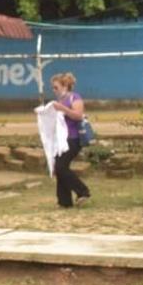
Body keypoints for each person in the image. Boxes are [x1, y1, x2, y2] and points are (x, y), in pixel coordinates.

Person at [51, 73, 91, 208]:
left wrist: (62, 109)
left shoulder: (75, 98)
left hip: (73, 138)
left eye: (56, 87)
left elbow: (78, 115)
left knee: (61, 167)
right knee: (60, 168)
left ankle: (82, 191)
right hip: (61, 140)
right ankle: (64, 201)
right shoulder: (59, 102)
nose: (54, 91)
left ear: (65, 86)